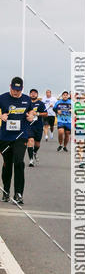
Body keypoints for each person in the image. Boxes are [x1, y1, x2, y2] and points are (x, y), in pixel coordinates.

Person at [0, 76, 35, 205]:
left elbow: (31, 111)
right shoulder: (2, 98)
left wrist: (31, 116)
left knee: (19, 162)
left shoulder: (26, 99)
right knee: (7, 164)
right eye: (14, 89)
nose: (16, 92)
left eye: (18, 90)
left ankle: (18, 194)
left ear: (22, 89)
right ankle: (6, 191)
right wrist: (1, 115)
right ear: (10, 87)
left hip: (21, 136)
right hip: (5, 137)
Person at [26, 88, 46, 166]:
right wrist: (27, 114)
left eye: (35, 93)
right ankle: (31, 160)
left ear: (37, 94)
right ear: (29, 94)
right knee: (30, 140)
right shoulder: (26, 103)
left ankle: (35, 152)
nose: (33, 94)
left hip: (38, 126)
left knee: (37, 144)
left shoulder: (41, 103)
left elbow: (46, 114)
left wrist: (37, 114)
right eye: (31, 93)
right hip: (29, 125)